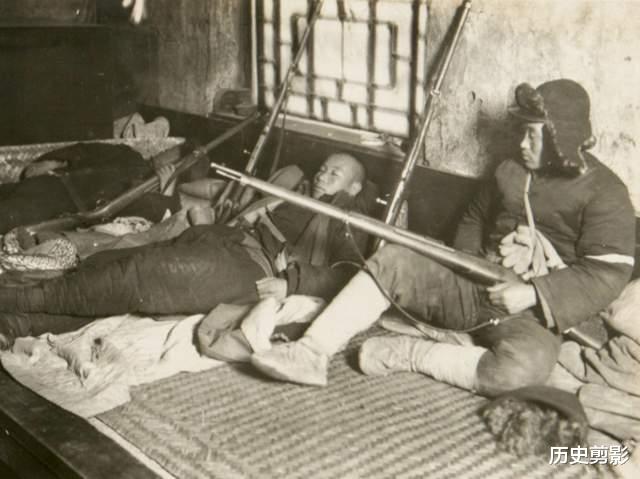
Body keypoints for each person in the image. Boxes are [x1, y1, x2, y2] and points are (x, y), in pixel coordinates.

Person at [251, 79, 636, 396]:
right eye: (524, 133)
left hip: (532, 311)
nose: (522, 144)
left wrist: (534, 293)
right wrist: (469, 263)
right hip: (475, 284)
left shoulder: (606, 192)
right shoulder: (509, 170)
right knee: (393, 260)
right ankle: (311, 351)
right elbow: (473, 217)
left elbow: (608, 273)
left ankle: (411, 353)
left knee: (523, 370)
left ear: (563, 138)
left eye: (534, 137)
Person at [0, 153, 374, 342]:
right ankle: (18, 324)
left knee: (141, 275)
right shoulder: (292, 194)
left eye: (334, 174)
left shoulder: (348, 220)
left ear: (353, 188)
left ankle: (16, 300)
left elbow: (349, 274)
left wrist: (292, 283)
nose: (322, 175)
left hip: (255, 268)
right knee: (113, 265)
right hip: (225, 240)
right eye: (323, 169)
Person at [0, 143, 180, 234]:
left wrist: (166, 190)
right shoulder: (129, 155)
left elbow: (160, 228)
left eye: (177, 161)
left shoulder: (166, 198)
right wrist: (53, 161)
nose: (168, 158)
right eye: (173, 151)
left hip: (59, 207)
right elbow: (86, 150)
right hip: (51, 183)